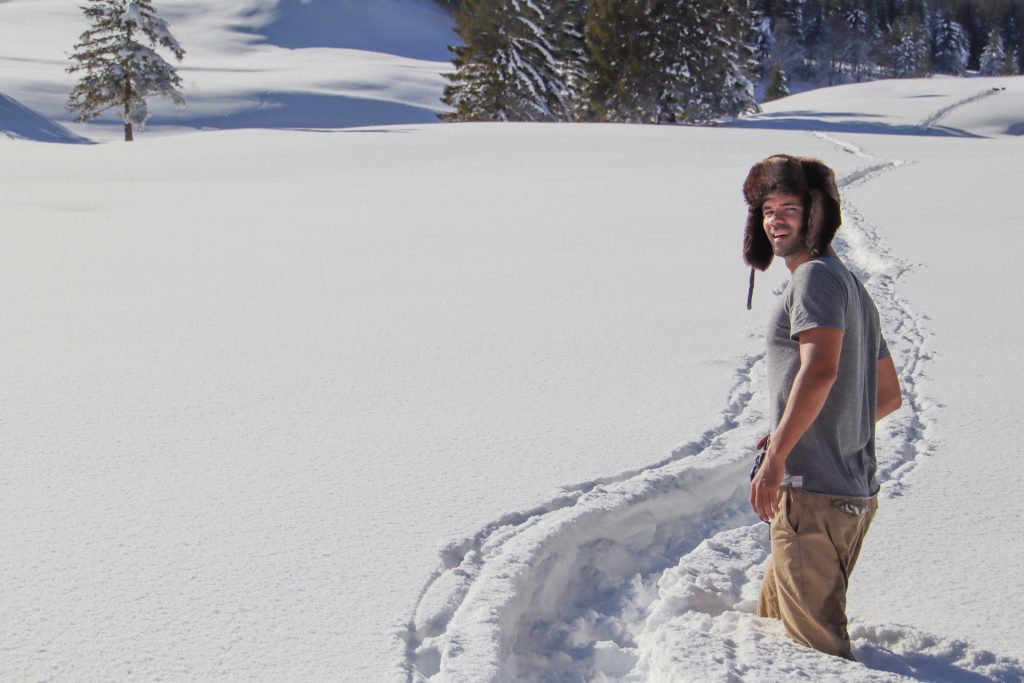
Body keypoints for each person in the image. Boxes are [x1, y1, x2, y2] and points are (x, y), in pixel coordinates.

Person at [741, 154, 902, 660]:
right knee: (775, 637)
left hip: (812, 497)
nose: (776, 219)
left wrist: (778, 458)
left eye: (790, 206)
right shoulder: (850, 284)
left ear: (819, 213)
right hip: (841, 493)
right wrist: (801, 431)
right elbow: (888, 395)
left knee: (816, 657)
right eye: (768, 209)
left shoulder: (814, 279)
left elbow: (820, 371)